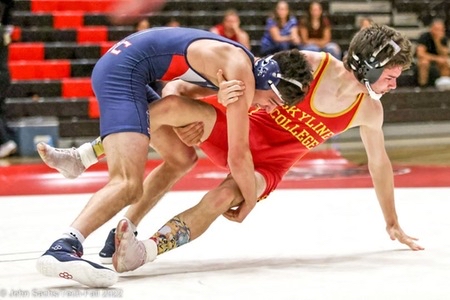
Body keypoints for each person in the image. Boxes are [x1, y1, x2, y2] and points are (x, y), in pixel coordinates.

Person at [38, 25, 424, 279]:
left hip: (268, 162)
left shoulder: (369, 110)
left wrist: (392, 222)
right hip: (237, 128)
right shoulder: (309, 64)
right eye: (391, 75)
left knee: (224, 195)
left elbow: (380, 165)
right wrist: (193, 99)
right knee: (174, 111)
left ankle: (144, 250)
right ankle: (89, 153)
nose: (393, 84)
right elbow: (241, 84)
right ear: (369, 66)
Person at [35, 26, 309, 288]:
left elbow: (173, 92)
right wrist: (250, 201)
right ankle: (65, 244)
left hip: (127, 68)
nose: (270, 110)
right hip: (123, 73)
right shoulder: (241, 75)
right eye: (274, 102)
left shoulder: (237, 62)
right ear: (270, 81)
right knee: (128, 183)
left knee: (182, 158)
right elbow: (238, 155)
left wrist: (187, 120)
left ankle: (116, 226)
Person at [0, 0, 17, 158]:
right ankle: (8, 139)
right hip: (4, 75)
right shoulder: (4, 32)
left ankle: (6, 141)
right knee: (1, 109)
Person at [415, 18, 450, 88]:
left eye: (441, 29)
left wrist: (437, 42)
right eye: (436, 29)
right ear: (431, 29)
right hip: (424, 60)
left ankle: (444, 84)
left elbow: (444, 54)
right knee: (424, 63)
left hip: (438, 61)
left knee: (446, 62)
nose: (439, 32)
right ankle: (422, 86)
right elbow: (420, 54)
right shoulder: (424, 37)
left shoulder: (443, 39)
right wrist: (436, 59)